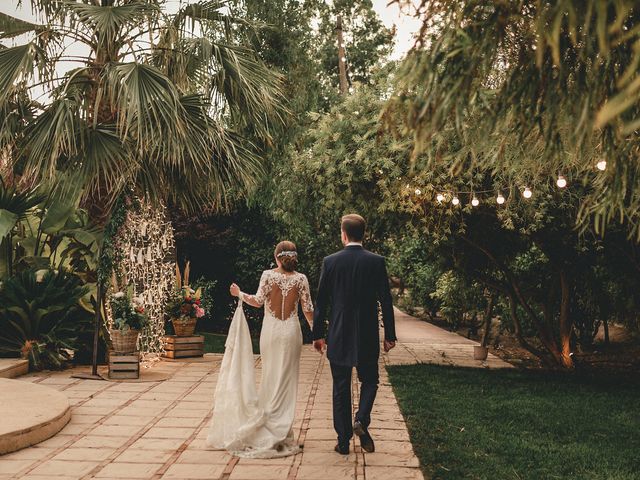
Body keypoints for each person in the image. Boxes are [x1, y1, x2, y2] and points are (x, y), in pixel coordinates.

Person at [206, 241, 314, 458]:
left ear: (276, 257)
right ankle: (282, 429)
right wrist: (318, 334)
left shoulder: (267, 275)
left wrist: (239, 293)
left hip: (271, 333)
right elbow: (308, 309)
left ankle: (270, 425)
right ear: (294, 257)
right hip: (292, 332)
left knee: (270, 378)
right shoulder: (301, 279)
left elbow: (256, 301)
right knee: (287, 380)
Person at [312, 214, 396, 455]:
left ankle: (343, 442)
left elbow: (321, 302)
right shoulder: (376, 261)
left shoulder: (330, 261)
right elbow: (386, 301)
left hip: (338, 333)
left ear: (344, 234)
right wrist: (389, 334)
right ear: (364, 234)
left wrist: (318, 334)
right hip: (367, 333)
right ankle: (361, 419)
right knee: (370, 380)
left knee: (340, 387)